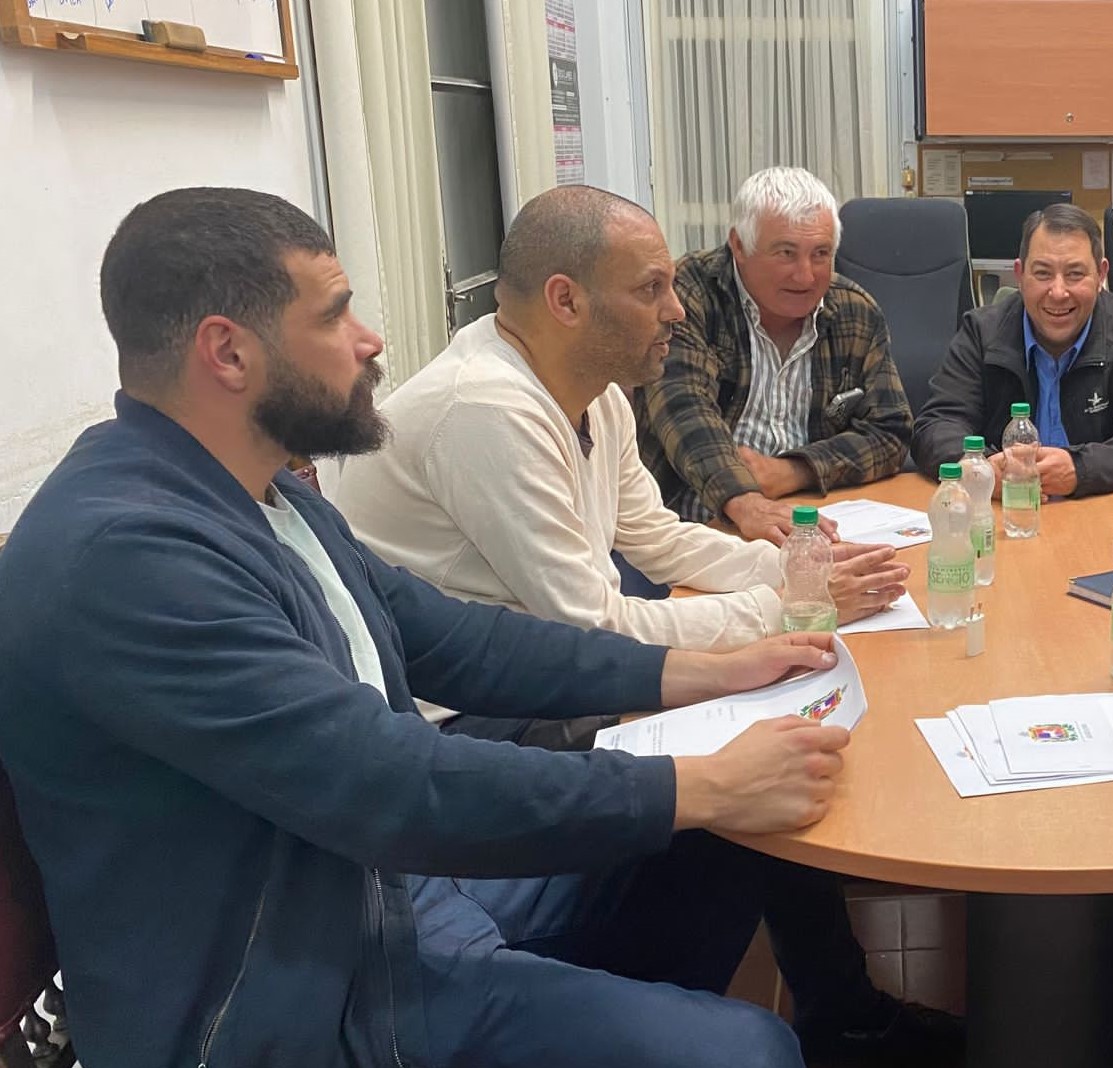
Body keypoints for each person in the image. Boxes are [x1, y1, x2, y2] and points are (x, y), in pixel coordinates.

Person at [0, 186, 865, 1068]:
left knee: (718, 848)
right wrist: (700, 785)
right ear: (228, 353)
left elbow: (457, 641)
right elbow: (390, 783)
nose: (371, 339)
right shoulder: (130, 559)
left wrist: (714, 671)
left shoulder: (266, 493)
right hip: (299, 1002)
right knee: (747, 1049)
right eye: (334, 315)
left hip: (381, 898)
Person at [331, 184, 959, 1065]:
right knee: (739, 790)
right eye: (652, 288)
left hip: (543, 671)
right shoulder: (487, 410)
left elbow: (655, 537)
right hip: (471, 713)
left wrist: (799, 568)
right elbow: (592, 623)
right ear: (566, 300)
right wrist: (786, 609)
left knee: (765, 745)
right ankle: (658, 1011)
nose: (677, 310)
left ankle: (819, 1007)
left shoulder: (598, 393)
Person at [635, 166, 912, 543]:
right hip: (693, 520)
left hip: (811, 516)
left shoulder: (854, 311)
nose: (806, 276)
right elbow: (683, 411)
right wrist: (744, 500)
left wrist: (792, 471)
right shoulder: (687, 297)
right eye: (785, 253)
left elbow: (891, 432)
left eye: (821, 254)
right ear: (738, 245)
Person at [908, 202, 1113, 496]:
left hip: (1097, 510)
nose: (1058, 292)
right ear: (1019, 275)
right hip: (1006, 511)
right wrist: (980, 469)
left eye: (1075, 274)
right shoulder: (981, 332)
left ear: (1101, 275)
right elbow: (936, 426)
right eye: (1042, 273)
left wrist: (1080, 469)